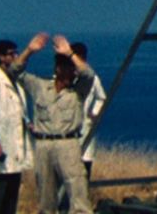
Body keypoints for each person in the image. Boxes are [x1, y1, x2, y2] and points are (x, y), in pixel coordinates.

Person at [11, 32, 98, 214]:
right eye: (67, 68)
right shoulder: (40, 87)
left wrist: (70, 54)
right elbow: (14, 71)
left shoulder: (78, 91)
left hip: (68, 144)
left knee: (78, 192)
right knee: (46, 197)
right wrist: (29, 51)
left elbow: (88, 74)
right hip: (44, 145)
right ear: (58, 69)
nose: (72, 73)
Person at [0, 39, 34, 214]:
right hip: (2, 142)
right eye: (11, 53)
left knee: (13, 185)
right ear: (1, 57)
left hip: (15, 142)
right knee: (1, 186)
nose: (15, 56)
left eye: (15, 53)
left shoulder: (16, 81)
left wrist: (29, 124)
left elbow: (20, 110)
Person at [58, 42, 107, 212]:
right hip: (65, 135)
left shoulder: (92, 78)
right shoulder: (63, 77)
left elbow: (102, 97)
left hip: (84, 132)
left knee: (83, 175)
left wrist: (93, 114)